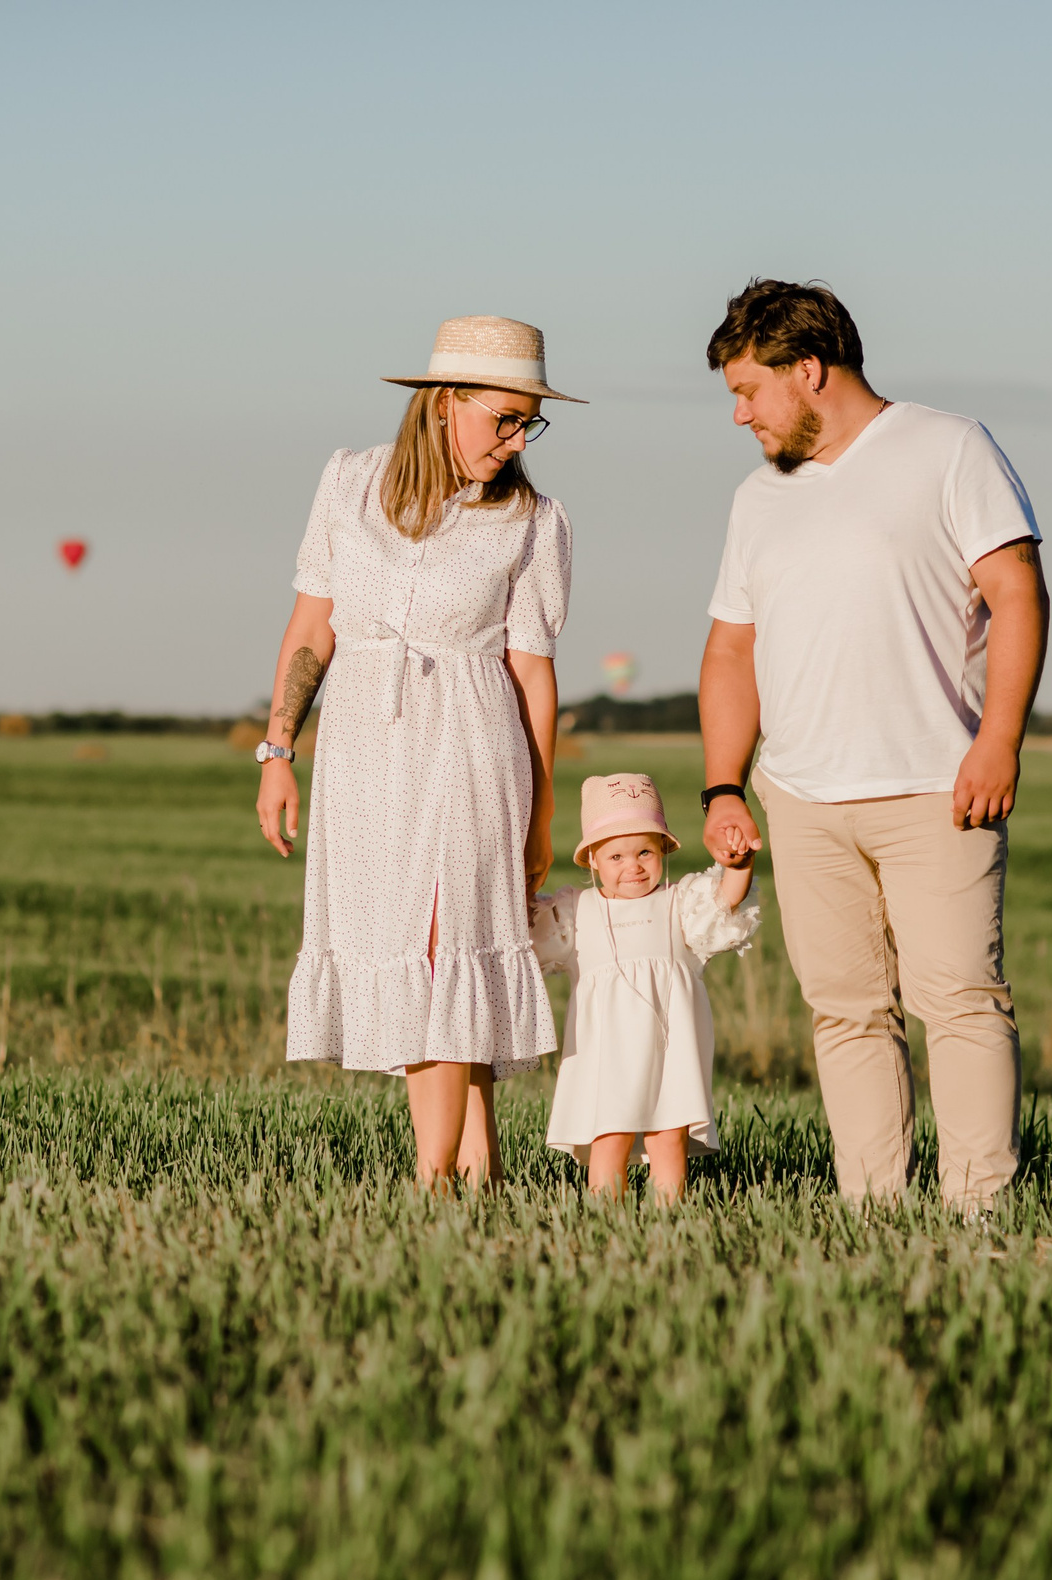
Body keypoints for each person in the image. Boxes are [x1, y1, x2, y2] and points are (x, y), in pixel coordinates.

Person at [694, 279, 1048, 1211]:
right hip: (803, 802)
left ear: (808, 370)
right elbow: (733, 646)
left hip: (939, 786)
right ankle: (872, 1210)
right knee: (845, 1014)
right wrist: (723, 786)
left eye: (748, 392)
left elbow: (1016, 591)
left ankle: (979, 1210)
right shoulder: (756, 500)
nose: (739, 416)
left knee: (963, 1001)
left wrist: (1000, 740)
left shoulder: (948, 448)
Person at [255, 315, 582, 1190]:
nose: (515, 440)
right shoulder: (348, 483)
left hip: (473, 745)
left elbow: (533, 676)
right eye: (503, 417)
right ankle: (481, 1174)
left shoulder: (532, 521)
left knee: (443, 949)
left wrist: (540, 811)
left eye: (528, 423)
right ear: (444, 405)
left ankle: (429, 1181)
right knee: (415, 948)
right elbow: (311, 628)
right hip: (363, 750)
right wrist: (277, 750)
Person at [530, 774, 759, 1202]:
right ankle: (604, 1216)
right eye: (615, 856)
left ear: (663, 851)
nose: (632, 865)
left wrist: (739, 865)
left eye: (644, 852)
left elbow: (725, 902)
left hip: (669, 1048)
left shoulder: (678, 902)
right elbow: (527, 931)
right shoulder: (577, 911)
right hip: (604, 1053)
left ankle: (670, 1216)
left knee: (668, 1137)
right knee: (608, 1136)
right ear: (592, 860)